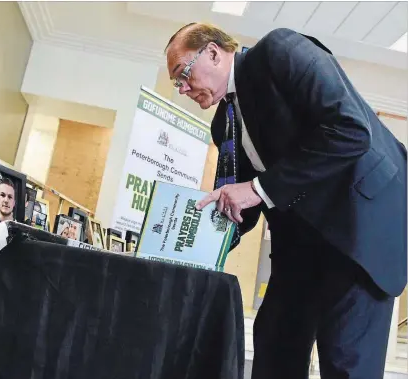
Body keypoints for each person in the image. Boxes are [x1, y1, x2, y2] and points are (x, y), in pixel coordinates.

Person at [165, 24, 407, 379]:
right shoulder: (225, 124)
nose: (182, 88)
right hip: (301, 242)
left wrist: (257, 189)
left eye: (183, 74)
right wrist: (181, 243)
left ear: (214, 53)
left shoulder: (280, 52)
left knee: (344, 361)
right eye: (176, 83)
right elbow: (238, 205)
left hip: (360, 229)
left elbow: (350, 131)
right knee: (274, 346)